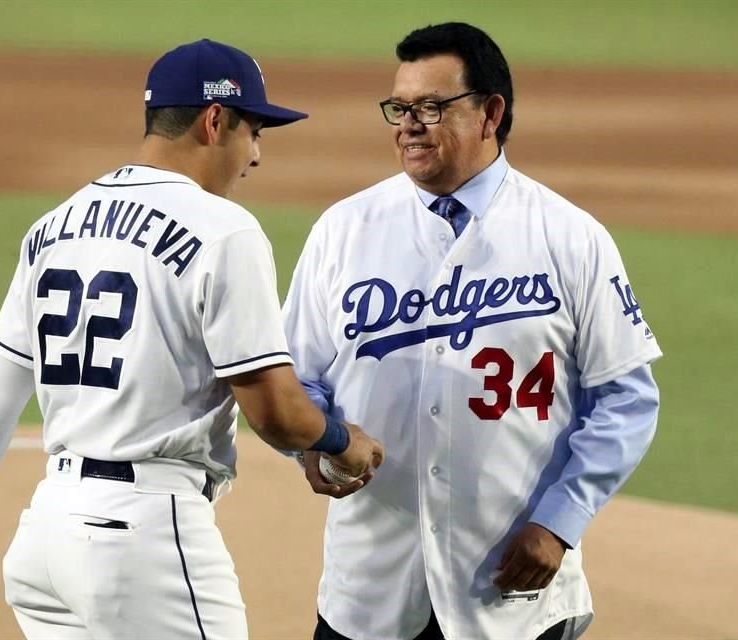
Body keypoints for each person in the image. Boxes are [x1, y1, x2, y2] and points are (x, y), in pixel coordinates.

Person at [0, 39, 384, 640]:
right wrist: (342, 441)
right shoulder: (225, 230)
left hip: (45, 538)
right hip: (144, 542)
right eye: (254, 131)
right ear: (215, 121)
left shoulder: (53, 225)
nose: (256, 154)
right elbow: (277, 413)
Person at [283, 22, 662, 640]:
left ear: (491, 113)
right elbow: (296, 378)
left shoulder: (569, 236)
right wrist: (315, 446)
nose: (409, 124)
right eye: (400, 108)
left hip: (513, 588)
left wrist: (560, 521)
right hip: (371, 589)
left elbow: (626, 398)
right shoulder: (343, 229)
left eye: (431, 107)